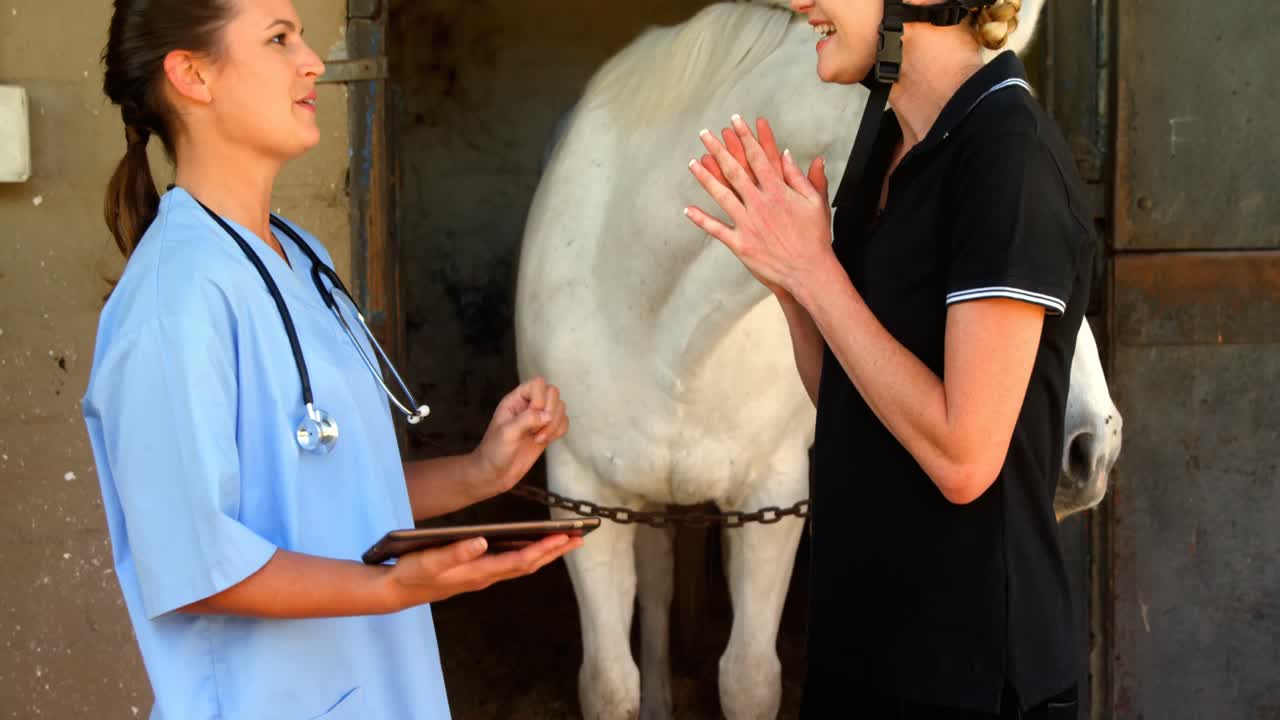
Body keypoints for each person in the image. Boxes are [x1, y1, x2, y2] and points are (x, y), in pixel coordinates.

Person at [83, 1, 582, 717]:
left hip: (375, 688)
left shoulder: (301, 255)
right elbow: (197, 563)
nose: (313, 60)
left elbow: (331, 492)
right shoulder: (173, 300)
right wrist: (393, 588)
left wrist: (481, 473)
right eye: (280, 40)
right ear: (192, 75)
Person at [683, 0, 1093, 717]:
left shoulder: (1007, 153)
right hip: (860, 654)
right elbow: (845, 398)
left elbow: (963, 459)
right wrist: (789, 286)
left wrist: (816, 274)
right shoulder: (887, 136)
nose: (800, 1)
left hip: (968, 679)